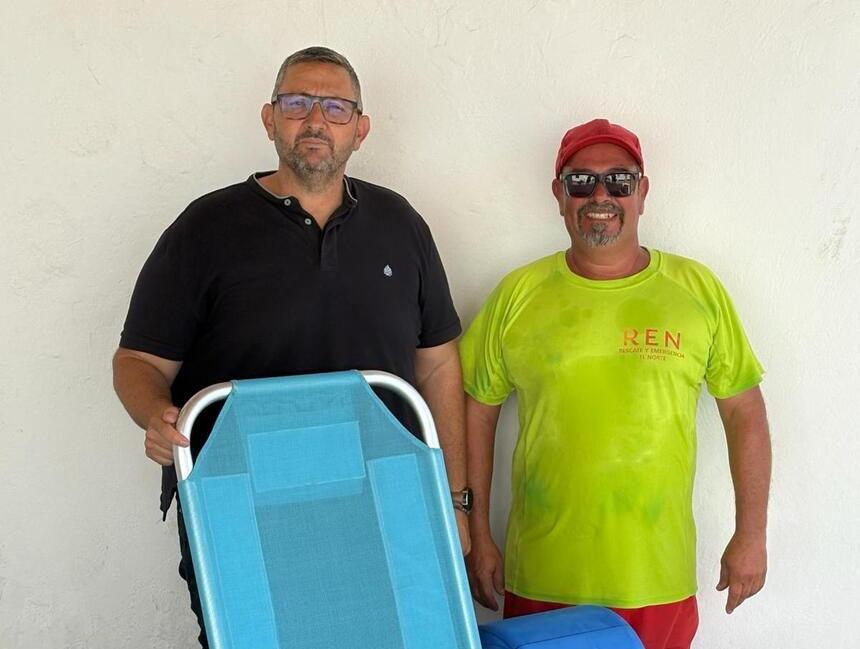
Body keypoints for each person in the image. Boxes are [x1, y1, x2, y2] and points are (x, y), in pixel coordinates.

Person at [112, 46, 470, 648]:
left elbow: (437, 365)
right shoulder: (205, 228)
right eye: (297, 103)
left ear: (361, 129)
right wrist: (155, 415)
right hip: (240, 497)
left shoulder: (400, 224)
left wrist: (455, 503)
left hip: (382, 495)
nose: (315, 121)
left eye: (335, 108)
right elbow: (138, 361)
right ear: (269, 118)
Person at [459, 118, 771, 649]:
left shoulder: (695, 290)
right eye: (581, 181)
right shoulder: (518, 295)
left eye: (619, 181)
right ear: (559, 195)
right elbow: (476, 410)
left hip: (656, 581)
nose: (600, 196)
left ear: (642, 192)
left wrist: (752, 534)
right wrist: (477, 533)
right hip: (542, 577)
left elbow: (745, 412)